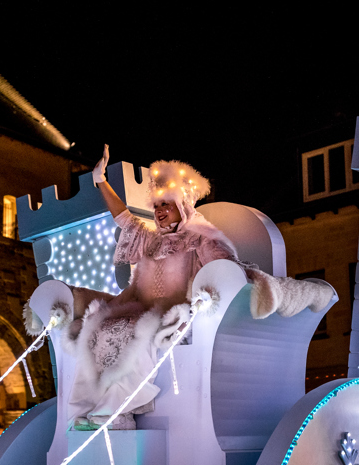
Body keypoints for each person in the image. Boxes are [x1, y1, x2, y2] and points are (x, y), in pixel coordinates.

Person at [66, 145, 237, 430]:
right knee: (97, 328)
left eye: (165, 205)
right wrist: (101, 181)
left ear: (181, 205)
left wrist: (206, 292)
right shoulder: (150, 240)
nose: (159, 212)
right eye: (156, 206)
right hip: (138, 306)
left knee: (139, 330)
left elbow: (226, 268)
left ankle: (115, 411)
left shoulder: (201, 238)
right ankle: (87, 408)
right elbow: (125, 220)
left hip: (175, 311)